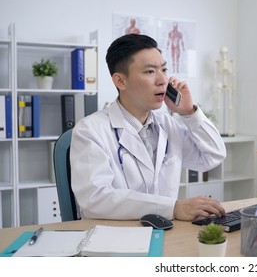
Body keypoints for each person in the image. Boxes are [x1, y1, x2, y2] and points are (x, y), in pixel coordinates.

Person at [70, 34, 227, 221]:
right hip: (114, 237)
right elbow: (95, 199)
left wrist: (189, 113)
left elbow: (212, 156)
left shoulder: (167, 125)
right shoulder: (90, 130)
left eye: (164, 69)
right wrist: (173, 208)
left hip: (165, 232)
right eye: (150, 72)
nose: (162, 80)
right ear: (120, 81)